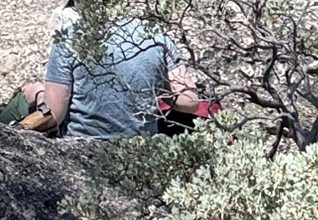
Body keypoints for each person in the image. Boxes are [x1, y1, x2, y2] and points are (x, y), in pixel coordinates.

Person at [23, 13, 199, 139]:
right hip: (142, 149)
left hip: (82, 148)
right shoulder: (156, 35)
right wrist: (151, 84)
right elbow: (190, 101)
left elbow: (53, 115)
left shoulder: (69, 38)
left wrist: (38, 94)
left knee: (20, 101)